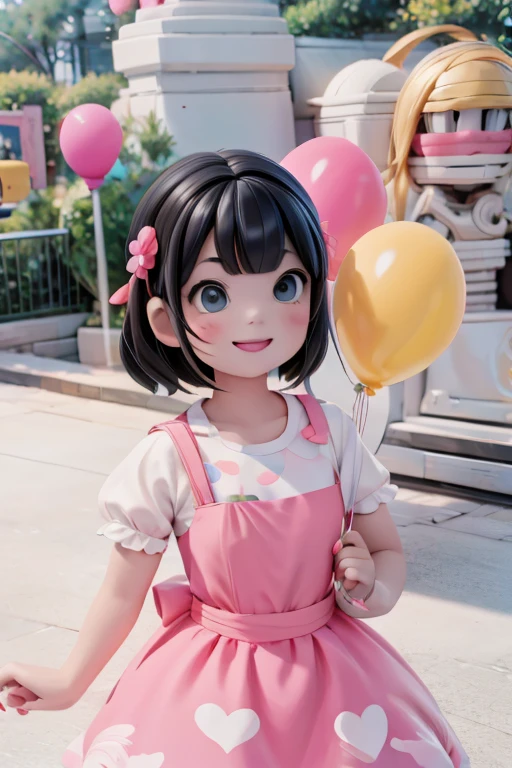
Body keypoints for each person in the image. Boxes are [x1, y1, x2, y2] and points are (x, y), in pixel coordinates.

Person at [0, 150, 470, 767]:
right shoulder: (170, 457)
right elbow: (122, 594)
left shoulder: (330, 435)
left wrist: (371, 588)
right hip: (210, 683)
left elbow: (387, 553)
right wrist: (68, 680)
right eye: (215, 293)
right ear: (166, 319)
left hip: (339, 686)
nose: (257, 314)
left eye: (284, 285)